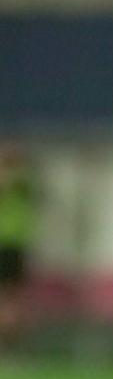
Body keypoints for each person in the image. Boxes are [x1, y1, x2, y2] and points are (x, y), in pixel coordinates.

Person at [0, 142, 36, 357]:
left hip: (13, 247)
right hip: (7, 246)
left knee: (12, 300)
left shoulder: (22, 184)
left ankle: (9, 344)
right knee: (9, 301)